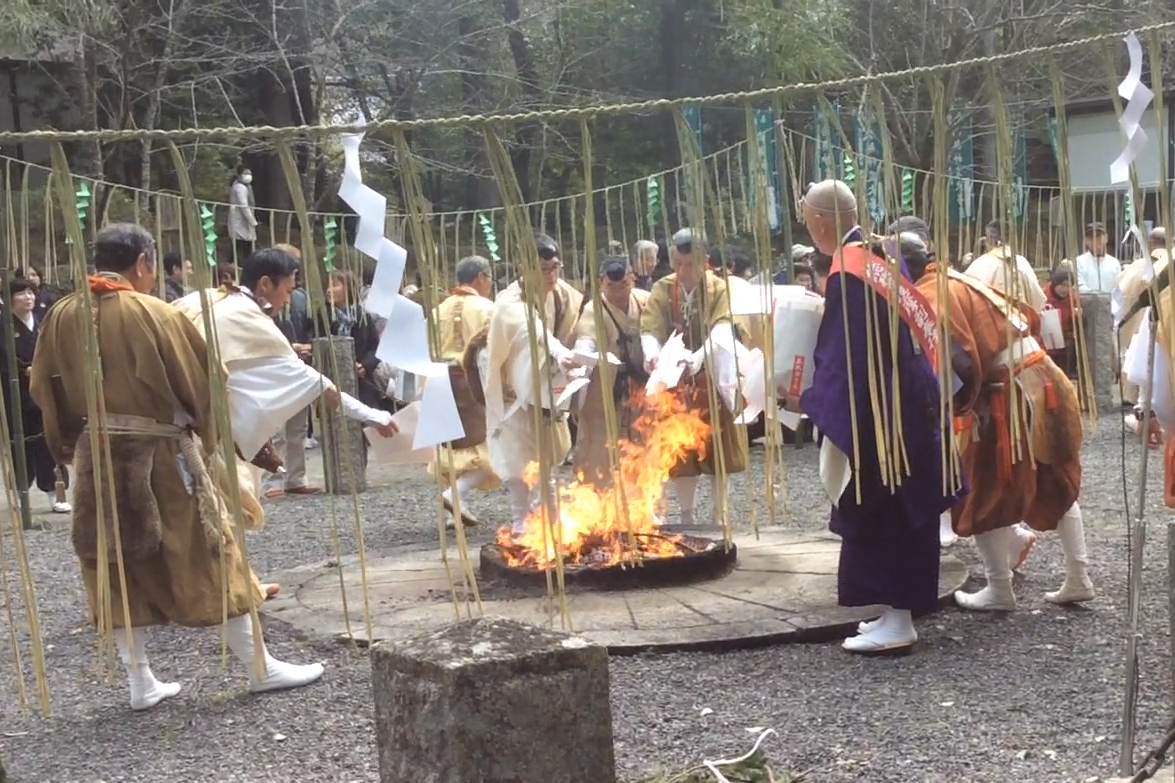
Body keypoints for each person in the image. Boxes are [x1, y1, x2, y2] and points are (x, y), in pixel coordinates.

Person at [30, 224, 325, 711]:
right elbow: (204, 382)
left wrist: (68, 447)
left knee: (116, 561)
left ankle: (139, 678)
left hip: (96, 453)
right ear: (143, 263)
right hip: (160, 454)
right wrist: (211, 436)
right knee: (208, 549)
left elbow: (45, 387)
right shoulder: (152, 312)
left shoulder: (62, 313)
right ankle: (259, 666)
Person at [789, 182, 956, 654]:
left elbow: (850, 359)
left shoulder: (850, 273)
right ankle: (890, 611)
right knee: (894, 506)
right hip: (904, 399)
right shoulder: (880, 254)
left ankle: (900, 618)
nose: (807, 226)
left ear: (820, 222)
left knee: (884, 510)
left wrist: (810, 398)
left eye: (807, 218)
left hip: (883, 413)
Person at [897, 221, 1093, 611]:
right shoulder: (960, 278)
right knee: (1055, 478)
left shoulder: (932, 291)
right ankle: (1078, 575)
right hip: (1041, 372)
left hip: (1008, 390)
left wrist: (955, 405)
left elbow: (959, 361)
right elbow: (1031, 314)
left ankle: (1000, 588)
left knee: (981, 486)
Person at [639, 228, 747, 527]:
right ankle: (686, 514)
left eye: (689, 264)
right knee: (680, 452)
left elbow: (723, 328)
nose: (682, 271)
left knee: (719, 448)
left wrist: (698, 359)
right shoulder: (663, 288)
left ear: (705, 262)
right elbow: (650, 326)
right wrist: (653, 353)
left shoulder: (719, 289)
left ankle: (720, 512)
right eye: (678, 264)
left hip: (711, 379)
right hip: (675, 383)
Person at [486, 234, 583, 534]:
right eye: (543, 269)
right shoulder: (508, 302)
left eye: (555, 267)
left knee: (550, 453)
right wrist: (560, 353)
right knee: (517, 454)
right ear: (523, 267)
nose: (552, 275)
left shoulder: (565, 296)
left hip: (550, 388)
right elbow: (535, 330)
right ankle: (519, 519)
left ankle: (548, 514)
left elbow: (577, 326)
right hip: (513, 388)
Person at [430, 255, 500, 525]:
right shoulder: (486, 308)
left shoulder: (438, 310)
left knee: (454, 447)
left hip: (439, 381)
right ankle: (456, 492)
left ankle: (457, 507)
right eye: (489, 278)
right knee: (489, 445)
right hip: (472, 381)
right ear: (481, 277)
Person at [572, 256, 650, 488]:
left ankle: (643, 500)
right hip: (605, 387)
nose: (618, 292)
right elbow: (586, 338)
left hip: (640, 385)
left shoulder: (645, 301)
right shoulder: (593, 309)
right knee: (600, 445)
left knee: (642, 441)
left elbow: (658, 326)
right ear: (600, 283)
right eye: (611, 286)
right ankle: (598, 501)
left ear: (632, 279)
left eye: (623, 285)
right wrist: (580, 354)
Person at [1, 277, 70, 513]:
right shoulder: (4, 326)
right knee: (20, 443)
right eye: (22, 294)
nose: (28, 297)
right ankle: (22, 492)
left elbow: (57, 351)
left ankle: (55, 493)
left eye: (31, 293)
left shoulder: (44, 322)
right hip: (15, 393)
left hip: (44, 390)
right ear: (10, 300)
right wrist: (23, 370)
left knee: (48, 439)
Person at [1116, 227, 1168, 407]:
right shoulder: (1170, 262)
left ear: (1150, 243)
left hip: (1136, 318)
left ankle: (1132, 398)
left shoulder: (1138, 266)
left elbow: (1119, 293)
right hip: (1166, 323)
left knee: (1134, 354)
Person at [965, 221, 1046, 313]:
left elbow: (968, 296)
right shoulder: (1022, 262)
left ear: (990, 239)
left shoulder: (982, 263)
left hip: (995, 321)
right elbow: (1038, 298)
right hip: (1024, 321)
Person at [1044, 266, 1079, 377]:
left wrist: (1078, 315)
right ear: (1055, 284)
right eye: (1063, 285)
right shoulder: (1044, 297)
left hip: (1064, 345)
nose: (1065, 289)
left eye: (1069, 286)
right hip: (1046, 345)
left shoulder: (1072, 298)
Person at [1074, 221, 1121, 294]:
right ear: (1086, 241)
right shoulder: (1079, 262)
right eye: (1091, 237)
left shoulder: (1114, 263)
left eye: (1098, 236)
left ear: (1106, 238)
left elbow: (1118, 288)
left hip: (1110, 304)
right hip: (1087, 304)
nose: (1095, 240)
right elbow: (1080, 287)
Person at [228, 166, 258, 264]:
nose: (248, 176)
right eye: (246, 173)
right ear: (239, 175)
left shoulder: (243, 186)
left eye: (250, 173)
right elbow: (243, 205)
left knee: (238, 244)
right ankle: (242, 264)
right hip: (240, 219)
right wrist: (252, 221)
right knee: (243, 244)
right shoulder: (240, 188)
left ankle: (234, 263)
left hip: (241, 220)